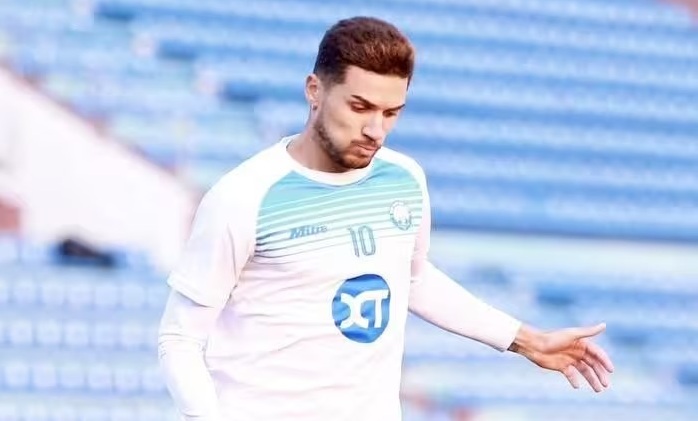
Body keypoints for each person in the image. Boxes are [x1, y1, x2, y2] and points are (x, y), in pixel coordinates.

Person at [157, 16, 614, 421]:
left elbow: (411, 279)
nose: (375, 130)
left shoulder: (404, 180)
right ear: (315, 90)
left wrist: (524, 339)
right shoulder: (244, 196)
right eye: (359, 107)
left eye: (391, 113)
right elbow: (180, 338)